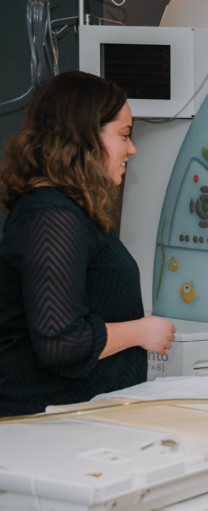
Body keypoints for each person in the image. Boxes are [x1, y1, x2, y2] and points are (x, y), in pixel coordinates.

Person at [0, 71, 176, 417]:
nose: (132, 149)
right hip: (41, 420)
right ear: (85, 137)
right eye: (124, 136)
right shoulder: (52, 217)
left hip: (71, 414)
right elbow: (61, 342)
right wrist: (142, 331)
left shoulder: (71, 212)